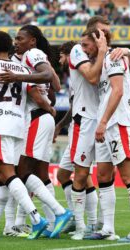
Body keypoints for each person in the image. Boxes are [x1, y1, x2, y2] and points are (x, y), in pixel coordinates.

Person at [0, 31, 67, 239]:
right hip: (19, 125)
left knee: (7, 174)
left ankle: (40, 218)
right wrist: (50, 107)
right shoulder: (23, 68)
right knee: (14, 174)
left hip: (2, 125)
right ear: (9, 47)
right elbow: (43, 90)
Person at [84, 27, 130, 243]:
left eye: (86, 45)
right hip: (105, 126)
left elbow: (118, 91)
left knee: (129, 176)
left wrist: (102, 122)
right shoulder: (100, 62)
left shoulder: (114, 57)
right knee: (103, 175)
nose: (84, 50)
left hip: (117, 123)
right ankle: (108, 229)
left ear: (100, 40)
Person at [54, 41, 99, 235]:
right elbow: (73, 105)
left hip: (82, 125)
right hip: (76, 125)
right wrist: (61, 125)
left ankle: (91, 222)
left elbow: (76, 106)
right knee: (63, 175)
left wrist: (59, 125)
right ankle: (75, 217)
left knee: (84, 176)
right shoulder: (74, 79)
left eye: (61, 56)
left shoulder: (79, 69)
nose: (60, 60)